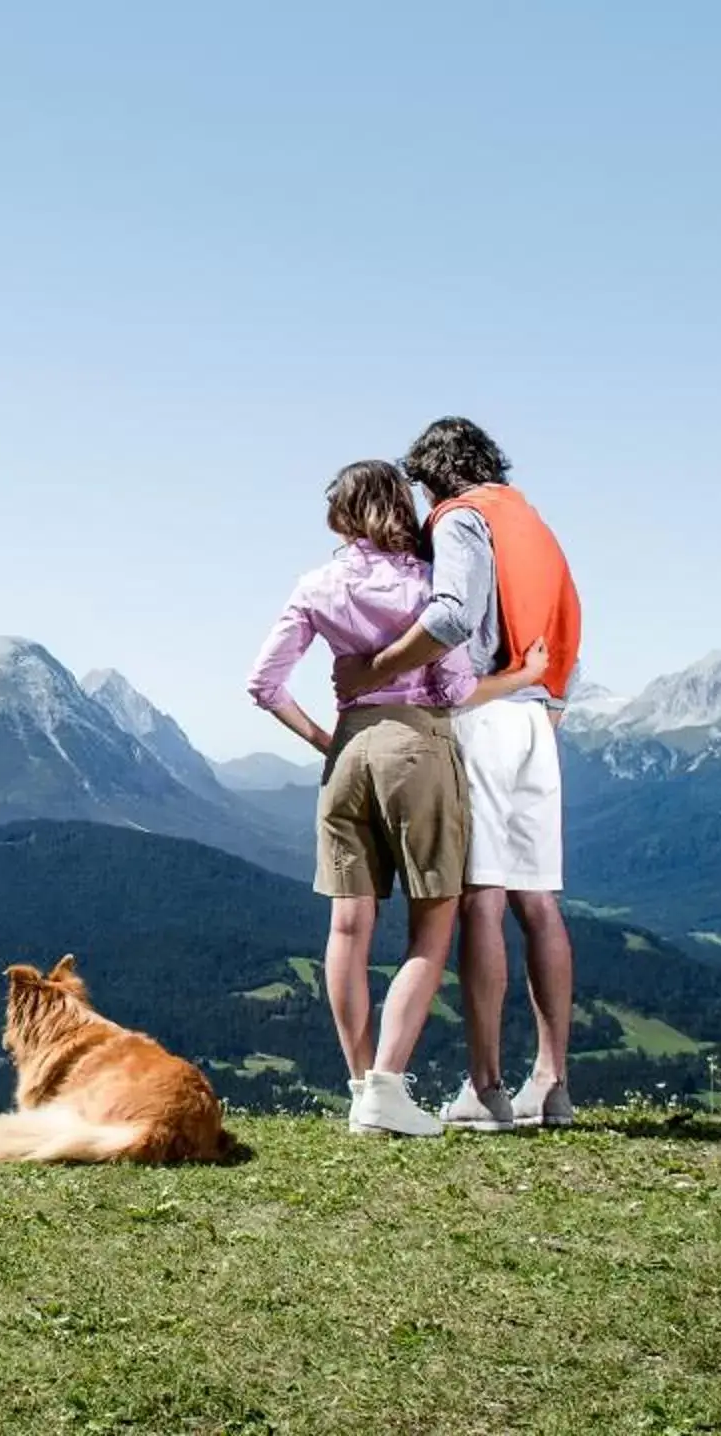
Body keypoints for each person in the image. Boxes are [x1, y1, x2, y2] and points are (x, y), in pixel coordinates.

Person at [243, 460, 547, 1137]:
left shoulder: (315, 584)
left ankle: (359, 1090)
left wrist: (329, 740)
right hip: (418, 748)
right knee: (432, 925)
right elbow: (458, 689)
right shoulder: (426, 584)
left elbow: (263, 684)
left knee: (346, 928)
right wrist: (523, 675)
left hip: (350, 752)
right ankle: (386, 1087)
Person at [340, 417, 585, 1131]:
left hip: (483, 714)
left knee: (480, 898)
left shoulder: (460, 519)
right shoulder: (532, 523)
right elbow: (570, 619)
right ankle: (554, 1084)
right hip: (538, 718)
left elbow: (451, 616)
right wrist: (553, 699)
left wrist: (378, 669)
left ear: (435, 473)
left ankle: (487, 1087)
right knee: (538, 901)